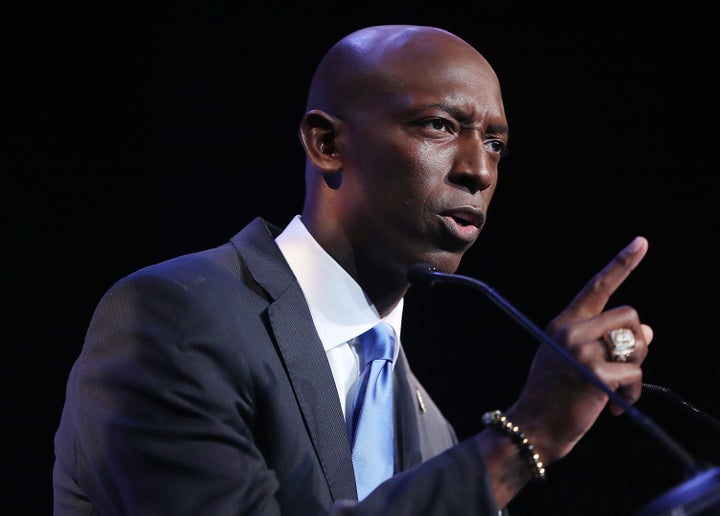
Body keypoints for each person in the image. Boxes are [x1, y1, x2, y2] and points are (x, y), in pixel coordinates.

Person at [52, 24, 653, 515]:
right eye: (440, 125)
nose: (480, 170)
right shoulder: (173, 317)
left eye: (495, 143)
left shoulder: (432, 431)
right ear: (327, 145)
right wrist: (525, 439)